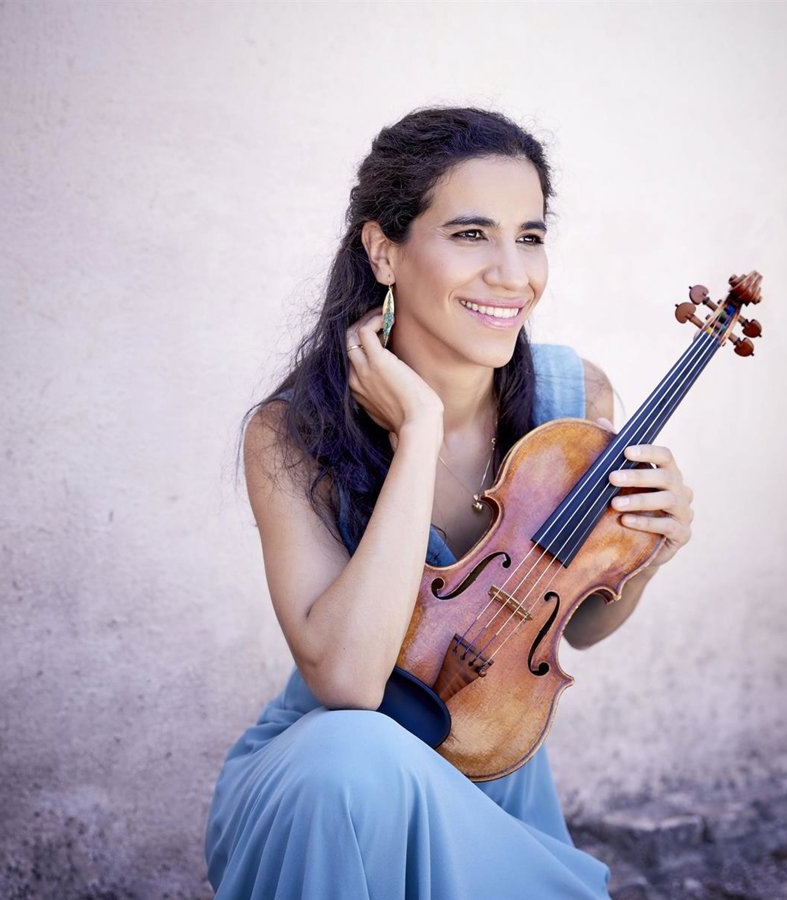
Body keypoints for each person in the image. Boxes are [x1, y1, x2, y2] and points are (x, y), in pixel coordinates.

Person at [205, 107, 694, 899]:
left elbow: (576, 626)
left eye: (529, 237)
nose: (512, 274)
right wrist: (417, 434)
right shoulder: (291, 435)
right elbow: (348, 684)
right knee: (350, 757)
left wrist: (646, 556)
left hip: (495, 774)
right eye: (471, 234)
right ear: (383, 251)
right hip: (329, 786)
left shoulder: (573, 406)